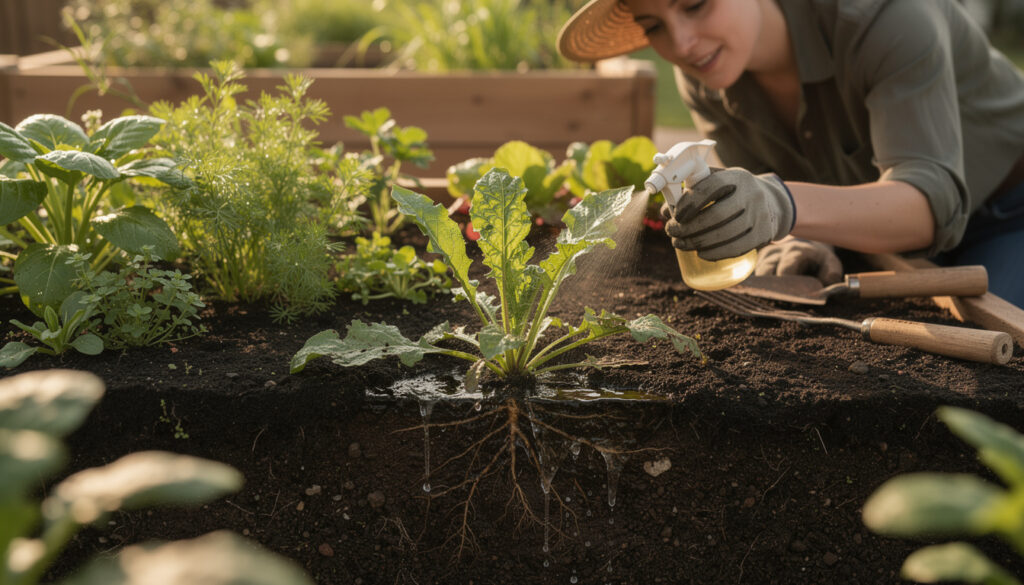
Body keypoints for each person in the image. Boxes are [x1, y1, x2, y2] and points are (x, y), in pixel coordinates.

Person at [557, 0, 1024, 307]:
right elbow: (769, 186)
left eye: (696, 4)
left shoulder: (883, 16)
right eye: (653, 25)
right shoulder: (706, 74)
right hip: (884, 237)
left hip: (1008, 211)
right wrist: (800, 236)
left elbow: (931, 203)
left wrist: (783, 206)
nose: (680, 44)